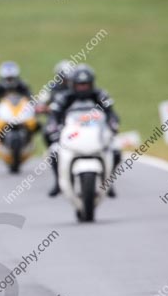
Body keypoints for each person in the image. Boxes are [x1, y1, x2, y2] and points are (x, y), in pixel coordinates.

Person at [46, 64, 121, 197]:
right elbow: (54, 116)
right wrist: (53, 129)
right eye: (80, 84)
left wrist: (113, 124)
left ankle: (109, 181)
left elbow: (111, 114)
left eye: (86, 84)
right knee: (54, 150)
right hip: (71, 135)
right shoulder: (64, 97)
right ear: (73, 84)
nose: (83, 87)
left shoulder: (100, 95)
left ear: (91, 83)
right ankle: (58, 182)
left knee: (116, 150)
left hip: (96, 134)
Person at [42, 60, 75, 196]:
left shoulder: (78, 88)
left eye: (68, 77)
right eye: (63, 77)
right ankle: (58, 182)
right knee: (52, 147)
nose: (66, 80)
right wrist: (42, 107)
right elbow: (41, 101)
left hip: (76, 122)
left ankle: (108, 183)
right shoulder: (51, 88)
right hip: (57, 121)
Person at [0, 61, 32, 137]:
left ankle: (29, 139)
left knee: (35, 124)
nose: (9, 81)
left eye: (11, 78)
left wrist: (33, 108)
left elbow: (31, 97)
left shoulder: (22, 84)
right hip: (4, 112)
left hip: (20, 112)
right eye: (7, 78)